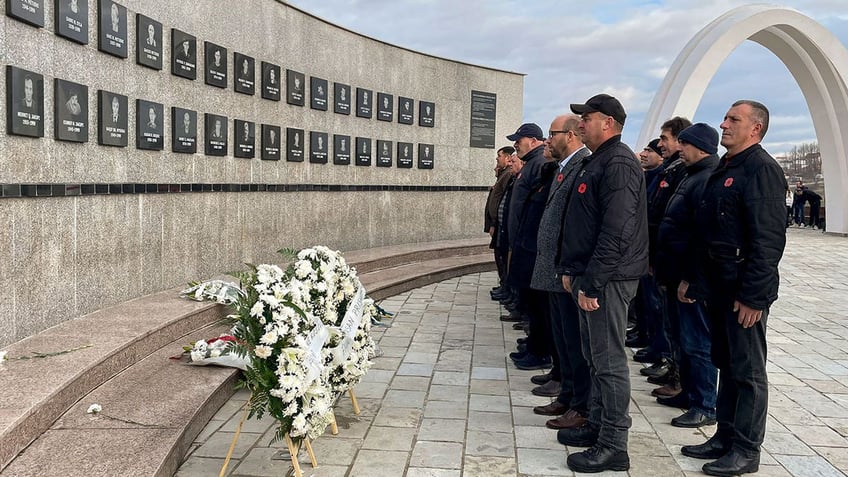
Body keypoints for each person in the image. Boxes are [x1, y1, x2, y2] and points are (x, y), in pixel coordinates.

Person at [681, 100, 786, 477]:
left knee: (748, 371)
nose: (723, 124)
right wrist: (696, 279)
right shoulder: (727, 167)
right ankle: (724, 435)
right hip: (719, 288)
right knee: (725, 362)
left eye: (733, 120)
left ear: (755, 128)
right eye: (725, 118)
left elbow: (768, 240)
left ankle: (746, 448)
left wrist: (754, 296)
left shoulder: (762, 170)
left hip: (743, 291)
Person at [556, 94, 648, 473]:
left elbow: (617, 232)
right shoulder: (600, 160)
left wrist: (591, 284)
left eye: (586, 118)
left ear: (607, 122)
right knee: (595, 358)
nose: (580, 124)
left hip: (607, 280)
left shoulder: (620, 163)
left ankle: (614, 444)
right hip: (591, 277)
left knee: (609, 363)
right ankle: (596, 425)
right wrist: (572, 271)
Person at [654, 123, 720, 429]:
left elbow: (702, 237)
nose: (680, 149)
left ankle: (705, 404)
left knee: (698, 343)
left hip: (689, 280)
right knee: (682, 338)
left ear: (699, 147)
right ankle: (689, 393)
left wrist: (692, 279)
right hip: (675, 273)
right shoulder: (691, 175)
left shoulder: (706, 178)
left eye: (685, 144)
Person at [529, 115, 592, 431]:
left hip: (565, 271)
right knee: (563, 339)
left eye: (551, 134)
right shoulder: (563, 167)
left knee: (574, 343)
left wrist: (568, 267)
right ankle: (567, 394)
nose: (546, 140)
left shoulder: (583, 166)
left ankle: (579, 403)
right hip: (554, 269)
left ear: (569, 135)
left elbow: (578, 224)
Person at [504, 123, 550, 370]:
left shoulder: (539, 163)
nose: (515, 145)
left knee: (537, 304)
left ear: (533, 140)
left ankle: (539, 350)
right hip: (523, 243)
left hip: (531, 247)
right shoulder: (532, 163)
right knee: (531, 303)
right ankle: (535, 343)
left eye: (518, 140)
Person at [486, 147, 515, 304]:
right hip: (498, 224)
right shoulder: (503, 175)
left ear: (508, 158)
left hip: (501, 225)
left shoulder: (508, 175)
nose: (497, 159)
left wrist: (494, 223)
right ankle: (504, 286)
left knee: (502, 258)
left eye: (499, 156)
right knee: (499, 257)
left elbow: (501, 201)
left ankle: (506, 287)